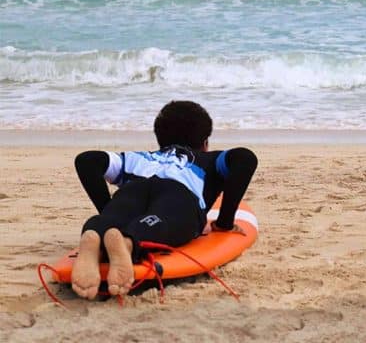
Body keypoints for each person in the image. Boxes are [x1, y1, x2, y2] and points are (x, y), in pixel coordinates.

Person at [69, 100, 258, 300]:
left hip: (134, 187)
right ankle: (127, 242)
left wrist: (108, 210)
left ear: (160, 139)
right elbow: (245, 158)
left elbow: (87, 161)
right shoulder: (208, 159)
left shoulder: (140, 158)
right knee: (165, 220)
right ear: (205, 143)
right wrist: (224, 223)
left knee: (116, 215)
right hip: (179, 193)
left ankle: (96, 234)